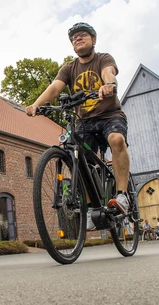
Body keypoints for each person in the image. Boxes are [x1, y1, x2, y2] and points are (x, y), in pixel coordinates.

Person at [26, 22, 131, 216]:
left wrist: (108, 84)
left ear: (94, 40)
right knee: (76, 157)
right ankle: (92, 208)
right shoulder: (69, 68)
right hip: (85, 121)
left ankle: (122, 194)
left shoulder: (103, 59)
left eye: (82, 35)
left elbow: (109, 72)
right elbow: (55, 88)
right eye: (74, 38)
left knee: (116, 139)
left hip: (110, 115)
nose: (78, 39)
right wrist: (36, 104)